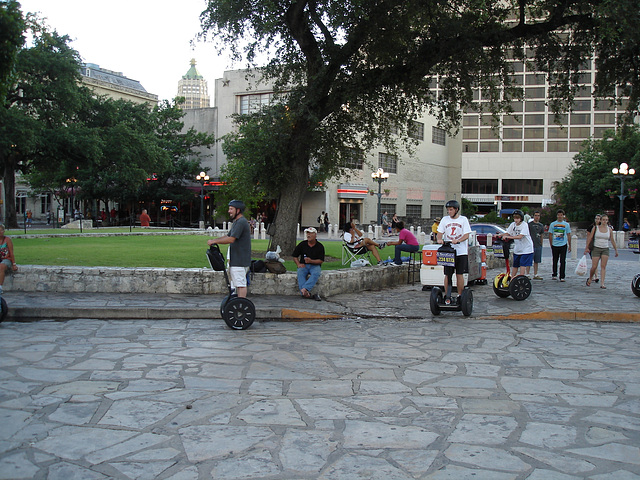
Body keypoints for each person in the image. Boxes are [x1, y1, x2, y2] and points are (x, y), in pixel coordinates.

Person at [207, 200, 251, 298]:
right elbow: (228, 235)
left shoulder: (241, 222)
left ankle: (241, 305)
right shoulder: (237, 222)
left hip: (239, 260)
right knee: (238, 284)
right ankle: (239, 303)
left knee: (240, 284)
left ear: (238, 210)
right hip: (237, 259)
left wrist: (215, 241)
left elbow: (231, 239)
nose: (229, 211)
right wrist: (214, 240)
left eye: (231, 209)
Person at [437, 200, 472, 301]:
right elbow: (440, 232)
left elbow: (466, 235)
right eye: (448, 210)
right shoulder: (445, 219)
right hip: (448, 251)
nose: (449, 212)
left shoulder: (463, 220)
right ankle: (447, 295)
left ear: (456, 209)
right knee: (447, 274)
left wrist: (458, 240)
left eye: (451, 210)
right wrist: (439, 239)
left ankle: (460, 296)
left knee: (459, 274)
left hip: (461, 252)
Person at [584, 213, 618, 289]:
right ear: (601, 220)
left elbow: (612, 240)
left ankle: (602, 283)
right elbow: (590, 238)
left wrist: (616, 250)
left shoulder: (609, 229)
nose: (605, 221)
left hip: (605, 248)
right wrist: (587, 247)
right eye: (603, 220)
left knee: (603, 266)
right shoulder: (596, 228)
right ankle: (590, 278)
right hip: (596, 248)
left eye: (606, 220)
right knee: (594, 266)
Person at [292, 227, 325, 300]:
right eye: (307, 233)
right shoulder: (302, 244)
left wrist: (311, 261)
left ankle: (305, 289)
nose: (308, 235)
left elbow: (321, 260)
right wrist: (298, 264)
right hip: (304, 265)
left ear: (315, 235)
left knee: (316, 273)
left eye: (310, 233)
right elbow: (295, 256)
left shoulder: (320, 246)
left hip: (315, 265)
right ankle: (305, 293)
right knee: (300, 272)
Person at [502, 210, 534, 277]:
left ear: (521, 218)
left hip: (526, 249)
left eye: (517, 218)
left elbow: (520, 236)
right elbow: (508, 232)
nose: (516, 220)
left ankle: (521, 278)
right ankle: (512, 278)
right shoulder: (513, 225)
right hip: (518, 249)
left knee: (522, 264)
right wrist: (500, 235)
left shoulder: (524, 225)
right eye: (515, 218)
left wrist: (508, 237)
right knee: (515, 265)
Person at [548, 209, 572, 282]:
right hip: (555, 244)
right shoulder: (553, 224)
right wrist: (551, 244)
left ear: (563, 216)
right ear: (557, 216)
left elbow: (568, 234)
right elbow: (550, 234)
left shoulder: (566, 225)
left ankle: (562, 276)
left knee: (563, 261)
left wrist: (570, 245)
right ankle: (554, 274)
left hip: (563, 244)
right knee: (555, 260)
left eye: (561, 215)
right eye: (559, 215)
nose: (560, 216)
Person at [0, 224, 18, 302]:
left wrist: (14, 264)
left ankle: (0, 287)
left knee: (1, 266)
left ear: (3, 231)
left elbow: (11, 252)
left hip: (6, 259)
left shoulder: (7, 240)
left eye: (1, 230)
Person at [527, 211, 545, 280]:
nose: (537, 217)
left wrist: (541, 243)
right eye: (535, 215)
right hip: (531, 245)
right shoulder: (530, 225)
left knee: (536, 261)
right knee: (529, 260)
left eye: (538, 215)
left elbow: (541, 235)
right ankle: (527, 274)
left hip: (538, 245)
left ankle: (535, 274)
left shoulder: (541, 225)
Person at [586, 214, 602, 283]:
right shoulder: (591, 227)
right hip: (592, 246)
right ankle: (596, 276)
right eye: (596, 218)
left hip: (599, 246)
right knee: (594, 261)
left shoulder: (602, 228)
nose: (597, 220)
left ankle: (595, 276)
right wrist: (587, 246)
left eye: (598, 219)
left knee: (597, 261)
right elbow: (588, 237)